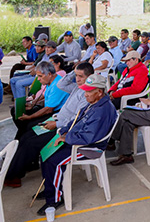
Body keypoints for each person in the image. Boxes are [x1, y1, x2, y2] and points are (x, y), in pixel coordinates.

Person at [36, 73, 117, 215]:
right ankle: (50, 187)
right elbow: (77, 120)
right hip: (78, 140)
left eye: (88, 91)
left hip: (89, 147)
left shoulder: (102, 110)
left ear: (99, 92)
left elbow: (89, 137)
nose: (85, 94)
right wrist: (65, 131)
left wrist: (67, 138)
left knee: (53, 161)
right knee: (45, 153)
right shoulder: (94, 103)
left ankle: (54, 199)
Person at [4, 63, 94, 188]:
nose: (77, 79)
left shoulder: (88, 94)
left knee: (31, 142)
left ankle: (13, 176)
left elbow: (76, 119)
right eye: (76, 76)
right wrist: (74, 71)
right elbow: (61, 84)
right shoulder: (76, 87)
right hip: (57, 120)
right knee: (27, 135)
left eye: (81, 76)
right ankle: (18, 167)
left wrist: (56, 124)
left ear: (90, 77)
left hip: (64, 129)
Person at [11, 62, 69, 140]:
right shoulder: (51, 81)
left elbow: (48, 110)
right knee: (14, 111)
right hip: (48, 108)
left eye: (40, 76)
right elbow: (47, 98)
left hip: (55, 113)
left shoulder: (57, 85)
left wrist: (29, 117)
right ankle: (22, 133)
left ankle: (23, 136)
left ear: (49, 74)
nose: (38, 79)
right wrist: (33, 103)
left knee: (29, 124)